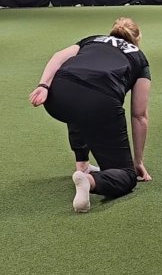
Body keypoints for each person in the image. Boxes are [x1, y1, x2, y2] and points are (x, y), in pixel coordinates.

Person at [29, 17, 151, 213]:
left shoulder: (93, 39)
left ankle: (82, 165)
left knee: (79, 109)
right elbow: (139, 115)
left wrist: (43, 85)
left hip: (58, 95)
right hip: (100, 101)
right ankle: (89, 180)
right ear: (138, 38)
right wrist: (138, 163)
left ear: (111, 32)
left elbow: (58, 56)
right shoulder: (139, 58)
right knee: (126, 175)